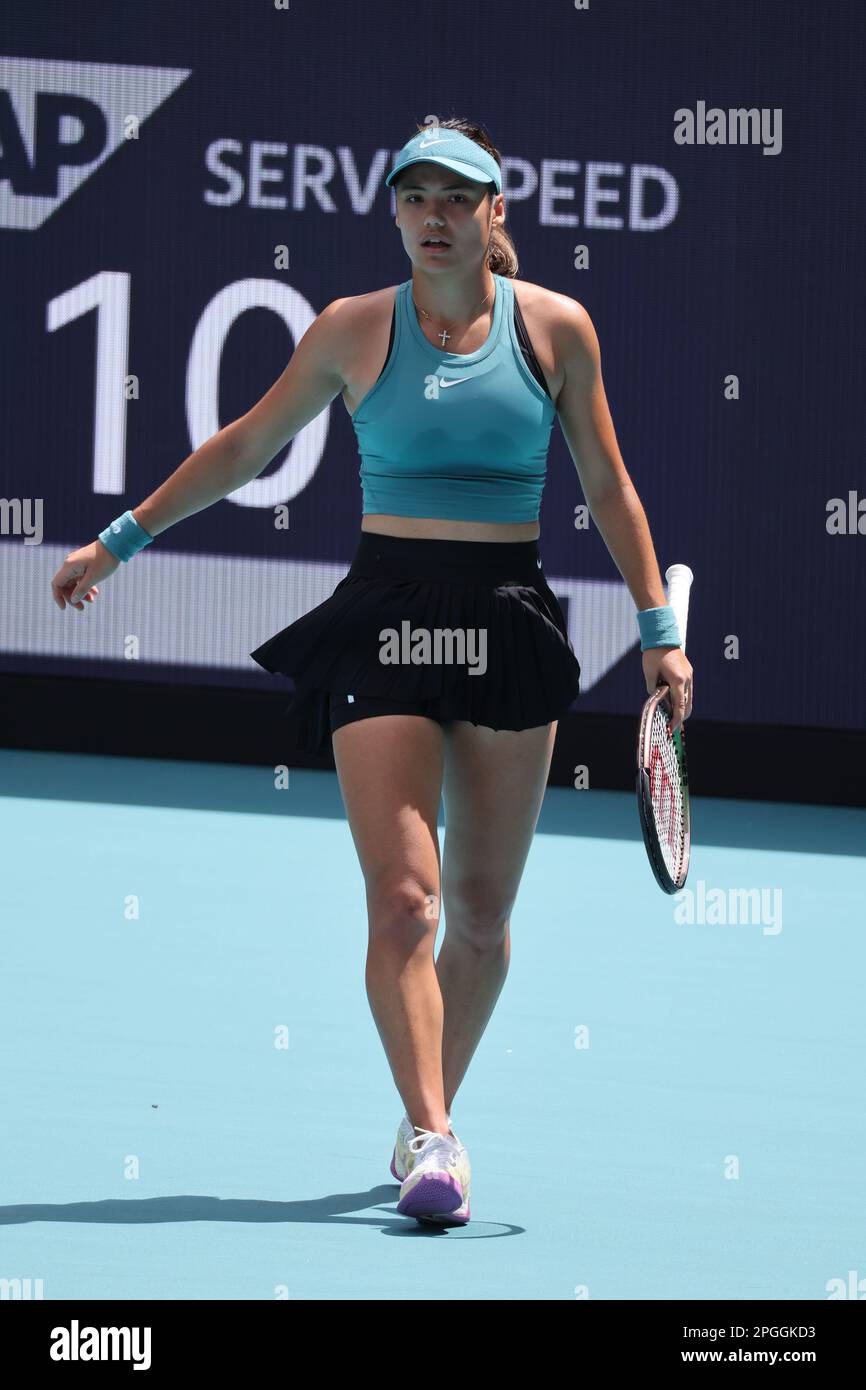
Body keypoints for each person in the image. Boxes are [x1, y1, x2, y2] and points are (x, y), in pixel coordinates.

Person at [50, 117, 694, 1228]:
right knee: (405, 902)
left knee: (483, 923)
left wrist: (655, 626)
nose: (435, 215)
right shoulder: (351, 331)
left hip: (508, 617)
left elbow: (609, 483)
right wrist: (120, 539)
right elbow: (245, 445)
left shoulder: (554, 330)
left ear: (496, 213)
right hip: (384, 620)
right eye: (416, 196)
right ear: (394, 211)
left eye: (459, 196)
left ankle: (419, 1114)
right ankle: (436, 1139)